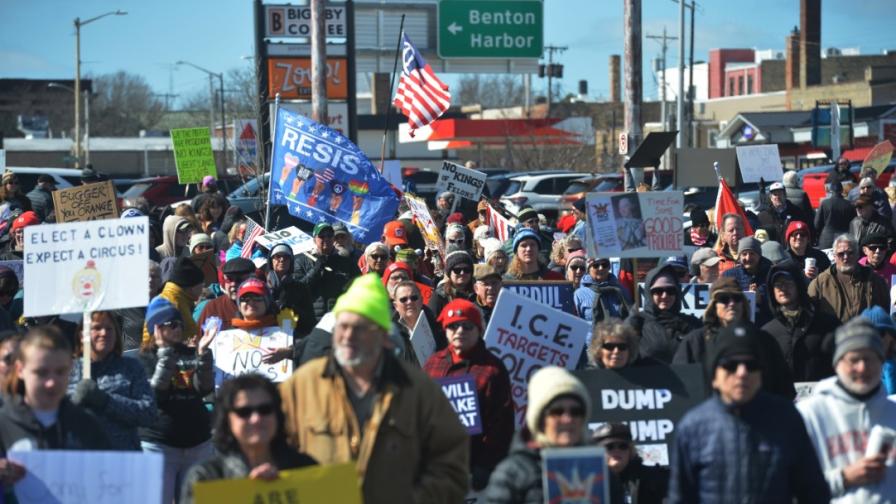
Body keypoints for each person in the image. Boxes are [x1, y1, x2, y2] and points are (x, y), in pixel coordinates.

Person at [279, 274, 469, 503]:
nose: (348, 336)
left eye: (360, 328)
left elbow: (452, 464)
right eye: (343, 326)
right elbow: (275, 445)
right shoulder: (303, 385)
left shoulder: (419, 390)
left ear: (383, 337)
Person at [668, 323, 830, 503]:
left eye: (751, 365)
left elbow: (814, 492)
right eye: (731, 365)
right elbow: (680, 498)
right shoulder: (693, 427)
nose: (742, 373)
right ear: (714, 376)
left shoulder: (786, 419)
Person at [797, 320, 896, 502]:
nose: (863, 367)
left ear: (881, 361)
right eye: (854, 359)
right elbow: (792, 488)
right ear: (837, 364)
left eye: (869, 358)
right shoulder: (810, 414)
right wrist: (844, 478)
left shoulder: (893, 412)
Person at [180, 374, 317, 504]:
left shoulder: (306, 468)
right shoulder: (206, 477)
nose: (256, 419)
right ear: (227, 419)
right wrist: (245, 492)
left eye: (265, 409)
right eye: (244, 412)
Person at [424, 299, 514, 492]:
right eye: (453, 326)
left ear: (479, 330)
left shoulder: (492, 368)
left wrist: (485, 465)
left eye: (467, 326)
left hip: (475, 469)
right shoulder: (432, 364)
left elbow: (501, 424)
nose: (459, 331)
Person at [139, 296, 218, 504]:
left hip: (197, 443)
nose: (177, 329)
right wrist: (165, 354)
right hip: (159, 445)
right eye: (171, 324)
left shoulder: (191, 352)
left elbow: (205, 388)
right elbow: (157, 396)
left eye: (179, 324)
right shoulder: (145, 358)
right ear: (156, 328)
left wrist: (204, 355)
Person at [674, 277, 795, 400]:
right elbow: (680, 392)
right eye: (724, 299)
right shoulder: (695, 342)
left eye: (736, 298)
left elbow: (784, 389)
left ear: (743, 303)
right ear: (713, 305)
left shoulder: (763, 340)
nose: (731, 303)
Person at [484, 367, 591, 503]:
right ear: (540, 419)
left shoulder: (600, 470)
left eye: (576, 411)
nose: (567, 419)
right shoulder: (511, 473)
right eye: (557, 411)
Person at [67, 312, 156, 450]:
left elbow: (148, 413)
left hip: (122, 459)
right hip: (81, 459)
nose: (104, 333)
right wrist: (73, 404)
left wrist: (107, 401)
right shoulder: (66, 370)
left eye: (109, 329)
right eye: (96, 328)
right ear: (82, 335)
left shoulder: (131, 367)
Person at [761, 260, 837, 382]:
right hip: (784, 400)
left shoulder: (827, 325)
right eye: (777, 284)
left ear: (799, 285)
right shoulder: (767, 333)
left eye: (788, 283)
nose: (783, 288)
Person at [627, 264, 701, 364]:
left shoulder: (692, 323)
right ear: (649, 293)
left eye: (670, 291)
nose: (665, 296)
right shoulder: (638, 322)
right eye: (658, 291)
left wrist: (690, 329)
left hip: (687, 378)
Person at [808, 234, 889, 323]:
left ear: (858, 254)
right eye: (841, 254)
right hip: (833, 335)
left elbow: (886, 314)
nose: (846, 257)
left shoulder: (876, 280)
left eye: (850, 253)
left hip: (866, 334)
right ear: (834, 256)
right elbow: (810, 316)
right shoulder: (820, 283)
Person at [294, 222, 360, 318]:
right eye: (322, 236)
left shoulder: (347, 261)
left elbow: (359, 289)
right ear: (314, 239)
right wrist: (316, 269)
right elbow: (297, 290)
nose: (326, 239)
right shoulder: (302, 260)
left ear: (333, 238)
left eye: (329, 236)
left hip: (338, 318)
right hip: (311, 319)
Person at [593, 423, 668, 504]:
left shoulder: (655, 479)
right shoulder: (589, 483)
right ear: (597, 451)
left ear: (631, 450)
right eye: (609, 446)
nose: (616, 450)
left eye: (623, 446)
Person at [142, 256, 205, 348]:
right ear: (192, 287)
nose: (203, 289)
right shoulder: (173, 301)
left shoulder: (180, 298)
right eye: (202, 285)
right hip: (160, 355)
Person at [723, 236, 773, 326]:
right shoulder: (729, 276)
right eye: (744, 254)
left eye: (752, 253)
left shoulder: (771, 274)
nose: (748, 258)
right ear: (739, 256)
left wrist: (760, 299)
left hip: (765, 326)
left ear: (759, 255)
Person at [197, 258, 256, 333]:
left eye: (239, 280)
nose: (233, 284)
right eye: (229, 279)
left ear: (253, 279)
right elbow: (199, 339)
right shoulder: (213, 308)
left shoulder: (263, 306)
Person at [391, 280, 445, 354]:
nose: (409, 302)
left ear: (422, 300)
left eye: (414, 298)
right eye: (403, 299)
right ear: (396, 306)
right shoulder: (390, 333)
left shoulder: (438, 326)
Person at [575, 258, 631, 323]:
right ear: (588, 269)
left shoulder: (621, 290)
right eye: (596, 265)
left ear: (609, 267)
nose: (601, 268)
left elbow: (630, 317)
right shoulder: (579, 294)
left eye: (604, 265)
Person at [586, 319, 659, 369]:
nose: (616, 351)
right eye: (609, 346)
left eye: (622, 347)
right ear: (598, 350)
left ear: (630, 350)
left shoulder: (647, 375)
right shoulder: (587, 380)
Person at [429, 250, 476, 316]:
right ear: (449, 273)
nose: (462, 273)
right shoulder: (440, 295)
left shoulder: (478, 293)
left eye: (466, 269)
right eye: (457, 270)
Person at [815, 179, 855, 249]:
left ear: (830, 191)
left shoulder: (825, 203)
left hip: (826, 239)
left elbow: (817, 224)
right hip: (843, 238)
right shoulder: (849, 205)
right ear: (842, 191)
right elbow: (853, 224)